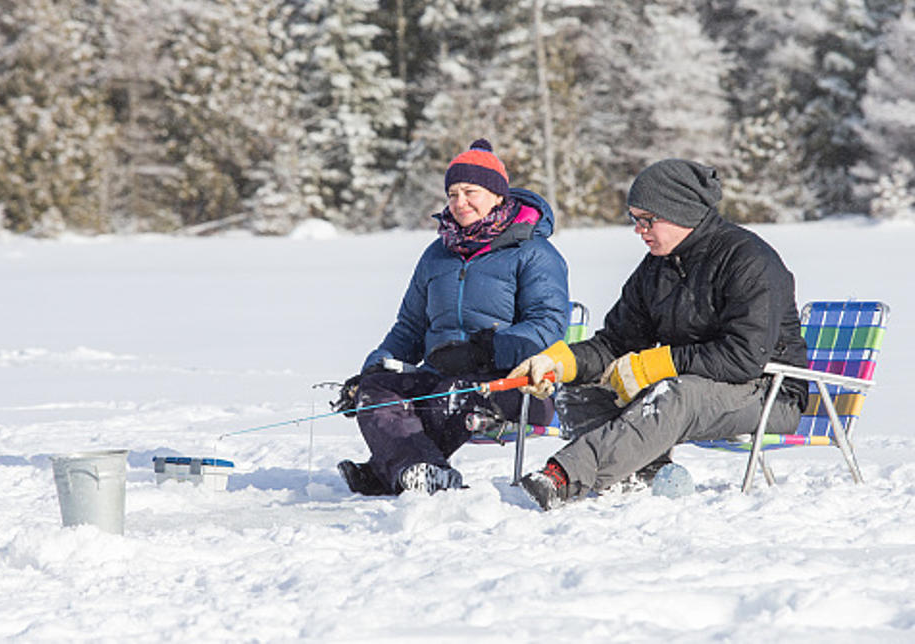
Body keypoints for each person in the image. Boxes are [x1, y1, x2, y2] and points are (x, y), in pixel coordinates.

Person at [509, 158, 808, 510]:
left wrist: (657, 364)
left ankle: (564, 476)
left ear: (681, 211)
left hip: (770, 392)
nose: (639, 230)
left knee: (673, 393)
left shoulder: (749, 261)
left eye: (648, 219)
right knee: (582, 391)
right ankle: (643, 474)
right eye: (635, 219)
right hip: (695, 388)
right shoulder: (657, 267)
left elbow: (743, 357)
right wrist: (561, 362)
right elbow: (617, 341)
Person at [336, 139, 569, 496]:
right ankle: (414, 470)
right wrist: (373, 368)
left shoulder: (534, 252)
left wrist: (484, 351)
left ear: (496, 194)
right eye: (452, 194)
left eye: (470, 191)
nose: (460, 203)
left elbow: (548, 327)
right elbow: (410, 327)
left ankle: (393, 471)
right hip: (441, 374)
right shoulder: (436, 255)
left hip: (515, 384)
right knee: (376, 392)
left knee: (452, 393)